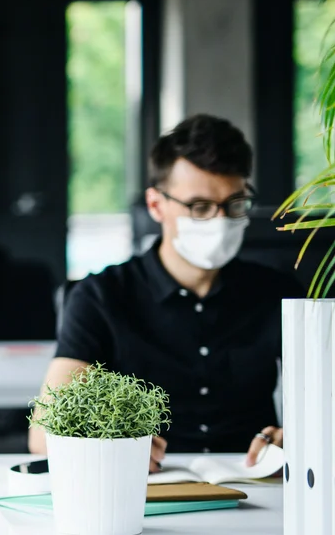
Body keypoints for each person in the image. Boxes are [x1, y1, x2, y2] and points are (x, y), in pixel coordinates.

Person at [29, 114, 302, 470]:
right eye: (200, 207)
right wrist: (113, 447)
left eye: (234, 205)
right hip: (145, 492)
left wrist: (299, 435)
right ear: (157, 205)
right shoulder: (101, 296)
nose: (219, 222)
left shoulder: (277, 292)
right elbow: (43, 435)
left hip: (259, 489)